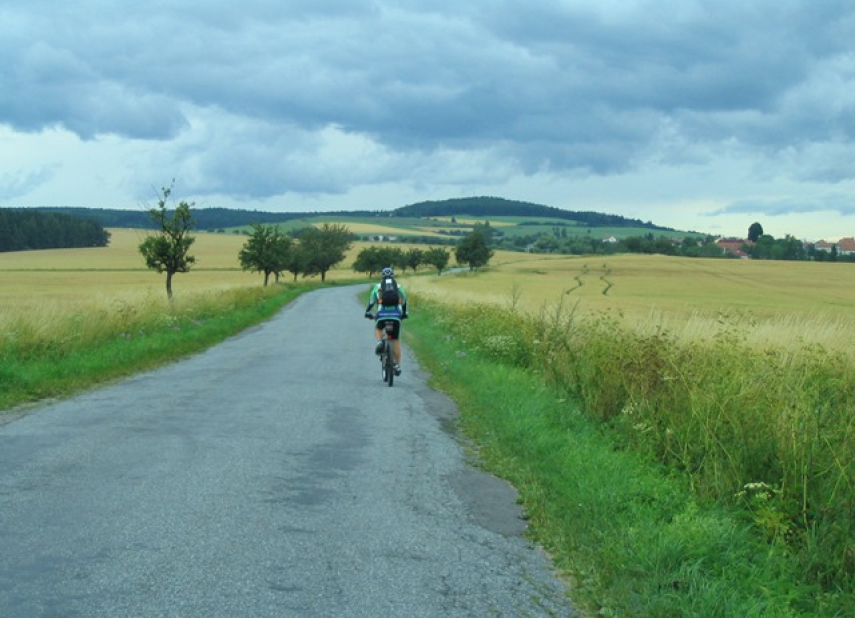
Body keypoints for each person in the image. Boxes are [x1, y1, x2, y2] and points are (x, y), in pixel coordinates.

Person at [364, 266, 408, 376]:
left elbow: (371, 303)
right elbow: (404, 302)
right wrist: (404, 314)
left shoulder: (377, 287)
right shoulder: (398, 287)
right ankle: (397, 365)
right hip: (396, 316)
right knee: (396, 340)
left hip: (382, 315)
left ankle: (379, 342)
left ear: (381, 277)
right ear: (393, 276)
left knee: (378, 328)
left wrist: (368, 313)